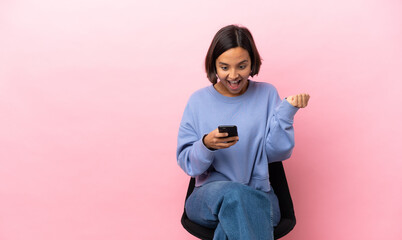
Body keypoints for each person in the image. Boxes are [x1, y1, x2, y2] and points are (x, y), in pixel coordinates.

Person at [176, 24, 310, 240]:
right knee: (235, 196)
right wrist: (206, 145)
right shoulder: (198, 101)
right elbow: (188, 164)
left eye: (242, 66)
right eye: (224, 67)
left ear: (252, 63)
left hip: (260, 195)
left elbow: (277, 153)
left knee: (235, 218)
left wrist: (285, 114)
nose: (233, 75)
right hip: (208, 197)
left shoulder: (267, 94)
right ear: (214, 65)